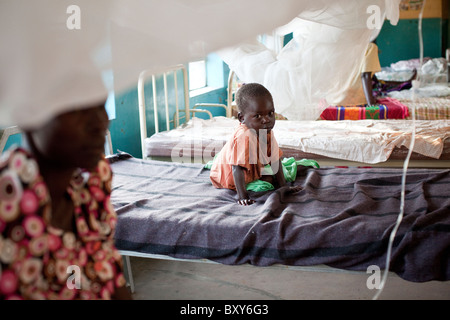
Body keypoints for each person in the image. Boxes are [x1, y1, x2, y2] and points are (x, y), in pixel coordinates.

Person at [0, 101, 132, 300]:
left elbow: (102, 277)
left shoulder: (89, 193)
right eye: (79, 108)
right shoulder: (7, 211)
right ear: (28, 114)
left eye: (101, 105)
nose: (100, 123)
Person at [209, 83, 302, 206]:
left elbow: (275, 160)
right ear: (242, 118)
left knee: (271, 178)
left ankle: (258, 178)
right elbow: (237, 169)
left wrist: (284, 186)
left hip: (250, 170)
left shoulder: (266, 130)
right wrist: (242, 197)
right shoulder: (244, 135)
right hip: (228, 177)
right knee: (265, 179)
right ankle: (243, 186)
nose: (266, 120)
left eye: (270, 113)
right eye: (258, 116)